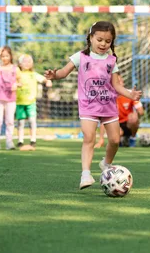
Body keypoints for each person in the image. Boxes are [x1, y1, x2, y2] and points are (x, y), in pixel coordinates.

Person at [44, 21, 142, 190]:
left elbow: (117, 86)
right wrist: (54, 75)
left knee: (115, 140)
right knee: (89, 138)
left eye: (108, 41)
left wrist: (130, 95)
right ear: (90, 38)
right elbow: (63, 72)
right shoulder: (80, 57)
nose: (103, 44)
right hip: (88, 106)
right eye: (100, 39)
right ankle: (85, 174)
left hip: (108, 106)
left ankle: (105, 163)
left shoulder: (112, 61)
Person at [94, 76, 144, 148]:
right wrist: (101, 140)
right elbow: (103, 118)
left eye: (120, 81)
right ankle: (120, 140)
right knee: (106, 118)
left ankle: (132, 138)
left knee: (133, 117)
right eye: (116, 81)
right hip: (116, 124)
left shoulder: (130, 93)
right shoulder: (107, 96)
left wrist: (136, 115)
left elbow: (141, 112)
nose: (119, 83)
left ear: (123, 83)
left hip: (128, 124)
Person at [16, 54, 52, 149]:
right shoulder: (17, 74)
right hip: (19, 102)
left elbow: (43, 79)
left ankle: (33, 140)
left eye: (29, 62)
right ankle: (20, 140)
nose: (27, 64)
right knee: (21, 123)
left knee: (32, 121)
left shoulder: (33, 74)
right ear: (20, 64)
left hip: (31, 102)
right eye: (24, 62)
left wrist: (48, 81)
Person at [0, 46, 21, 150]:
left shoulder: (15, 68)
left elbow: (20, 82)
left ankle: (9, 142)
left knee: (10, 121)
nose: (4, 58)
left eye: (6, 56)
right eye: (2, 56)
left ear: (11, 56)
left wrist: (16, 85)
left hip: (10, 98)